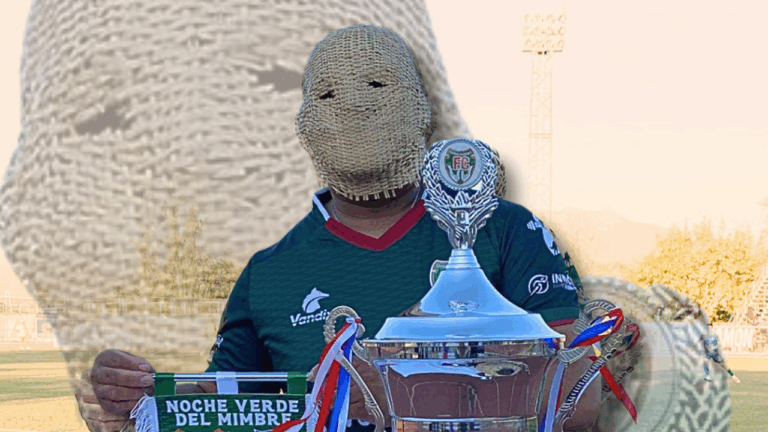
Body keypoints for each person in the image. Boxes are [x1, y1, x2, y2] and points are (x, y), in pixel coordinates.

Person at [84, 25, 598, 432]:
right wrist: (136, 401)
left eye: (376, 85)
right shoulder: (269, 272)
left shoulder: (504, 229)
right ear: (305, 124)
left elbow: (580, 397)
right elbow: (223, 407)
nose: (353, 103)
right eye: (328, 94)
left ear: (420, 107)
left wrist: (402, 396)